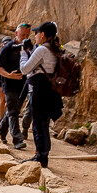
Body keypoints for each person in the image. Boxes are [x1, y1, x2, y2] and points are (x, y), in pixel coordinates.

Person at [20, 21, 64, 168]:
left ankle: (40, 157)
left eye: (37, 33)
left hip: (39, 88)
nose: (35, 35)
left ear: (43, 35)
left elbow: (25, 69)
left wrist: (23, 53)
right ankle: (43, 155)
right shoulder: (54, 49)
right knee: (44, 124)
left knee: (38, 123)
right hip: (50, 89)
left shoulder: (42, 50)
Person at [0, 23, 33, 148]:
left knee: (13, 110)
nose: (24, 37)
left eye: (27, 35)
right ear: (16, 33)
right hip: (9, 83)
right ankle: (17, 139)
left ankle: (1, 131)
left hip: (23, 84)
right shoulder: (8, 47)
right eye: (22, 34)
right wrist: (8, 75)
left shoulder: (29, 47)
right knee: (13, 109)